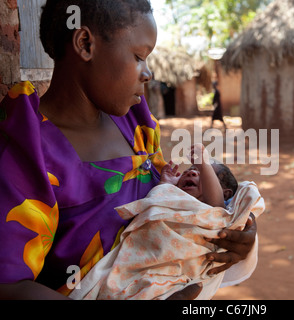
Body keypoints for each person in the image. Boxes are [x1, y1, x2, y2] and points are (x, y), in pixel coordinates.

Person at [0, 0, 256, 300]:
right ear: (85, 44)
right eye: (139, 56)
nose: (148, 73)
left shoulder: (135, 124)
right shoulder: (27, 151)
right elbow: (9, 286)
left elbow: (176, 203)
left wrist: (232, 228)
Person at [69, 144, 264, 300]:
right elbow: (157, 202)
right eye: (190, 169)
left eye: (203, 173)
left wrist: (204, 163)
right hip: (141, 256)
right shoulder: (174, 198)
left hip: (174, 266)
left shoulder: (212, 210)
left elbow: (216, 204)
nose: (192, 172)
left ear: (226, 193)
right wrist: (166, 184)